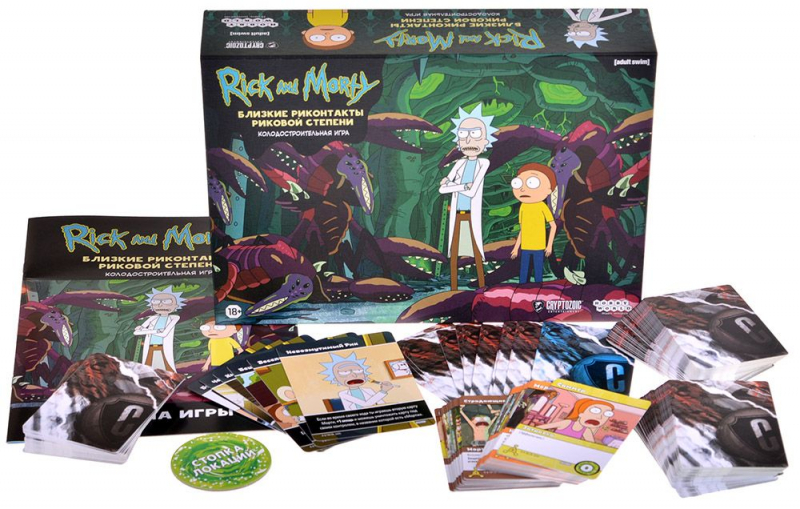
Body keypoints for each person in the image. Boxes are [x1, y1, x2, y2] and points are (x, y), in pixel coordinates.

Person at [439, 103, 498, 290]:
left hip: (471, 214)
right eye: (464, 135)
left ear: (485, 141)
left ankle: (481, 284)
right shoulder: (459, 164)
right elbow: (442, 189)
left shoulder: (483, 163)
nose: (469, 140)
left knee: (476, 250)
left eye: (475, 134)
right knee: (455, 250)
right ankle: (454, 288)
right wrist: (463, 186)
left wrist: (454, 186)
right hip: (457, 214)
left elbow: (471, 192)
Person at [510, 163, 558, 284]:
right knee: (523, 271)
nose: (523, 189)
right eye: (518, 183)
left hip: (539, 246)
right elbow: (522, 229)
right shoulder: (523, 206)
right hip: (525, 245)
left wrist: (549, 245)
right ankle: (521, 288)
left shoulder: (542, 206)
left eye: (532, 183)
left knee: (538, 272)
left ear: (549, 190)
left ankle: (538, 289)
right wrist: (516, 248)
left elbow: (553, 226)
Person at [319, 352, 396, 410]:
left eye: (358, 371)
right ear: (336, 379)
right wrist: (383, 391)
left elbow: (382, 404)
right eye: (345, 372)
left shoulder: (369, 390)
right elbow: (366, 404)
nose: (354, 375)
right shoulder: (343, 394)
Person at [134, 286, 185, 372]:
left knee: (166, 370)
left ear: (176, 305)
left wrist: (146, 331)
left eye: (167, 301)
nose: (160, 305)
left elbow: (164, 334)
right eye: (155, 302)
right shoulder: (153, 317)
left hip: (162, 348)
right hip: (150, 347)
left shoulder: (174, 317)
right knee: (148, 370)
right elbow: (136, 332)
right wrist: (156, 331)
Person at [537, 399, 615, 443]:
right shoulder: (567, 423)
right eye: (595, 411)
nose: (600, 417)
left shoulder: (586, 430)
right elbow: (540, 428)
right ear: (581, 413)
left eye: (607, 414)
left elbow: (591, 444)